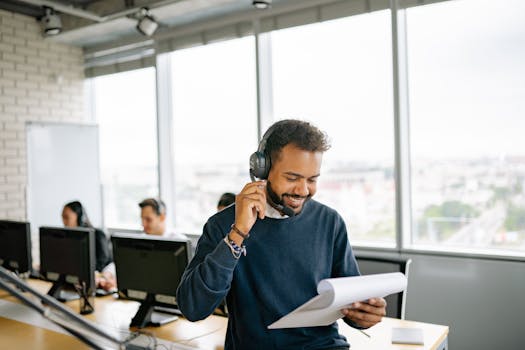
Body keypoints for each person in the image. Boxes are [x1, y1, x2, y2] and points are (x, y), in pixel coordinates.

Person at [176, 119, 386, 350]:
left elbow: (349, 303)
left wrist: (363, 316)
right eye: (292, 178)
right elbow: (193, 308)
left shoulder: (330, 222)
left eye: (312, 179)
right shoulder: (224, 225)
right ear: (262, 170)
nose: (303, 190)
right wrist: (238, 233)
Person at [61, 201, 116, 291]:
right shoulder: (68, 238)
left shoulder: (98, 234)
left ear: (79, 218)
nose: (64, 222)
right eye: (62, 217)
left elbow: (103, 261)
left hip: (101, 280)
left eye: (67, 217)